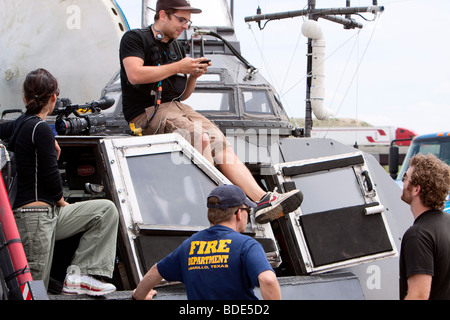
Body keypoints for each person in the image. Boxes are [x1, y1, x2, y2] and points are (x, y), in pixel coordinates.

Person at [119, 0, 303, 224]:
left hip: (176, 108)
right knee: (200, 138)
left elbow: (182, 96)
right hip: (145, 114)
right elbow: (135, 75)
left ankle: (263, 200)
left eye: (188, 21)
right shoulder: (134, 38)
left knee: (218, 141)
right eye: (181, 20)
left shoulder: (176, 47)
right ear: (163, 15)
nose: (185, 26)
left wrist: (193, 75)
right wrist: (179, 67)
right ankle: (221, 207)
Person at [0, 69, 119, 296]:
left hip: (46, 215)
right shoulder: (41, 129)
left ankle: (79, 275)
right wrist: (62, 201)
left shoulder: (22, 125)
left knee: (105, 211)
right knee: (34, 290)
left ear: (25, 98)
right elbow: (51, 174)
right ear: (54, 98)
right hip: (35, 219)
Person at [132, 184, 281, 300]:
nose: (248, 215)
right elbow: (268, 279)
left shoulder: (189, 246)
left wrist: (140, 295)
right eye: (247, 210)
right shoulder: (247, 245)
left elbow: (156, 271)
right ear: (238, 214)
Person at [399, 153, 450, 300]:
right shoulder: (447, 222)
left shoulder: (418, 236)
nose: (403, 183)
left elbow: (419, 296)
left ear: (416, 189)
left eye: (406, 178)